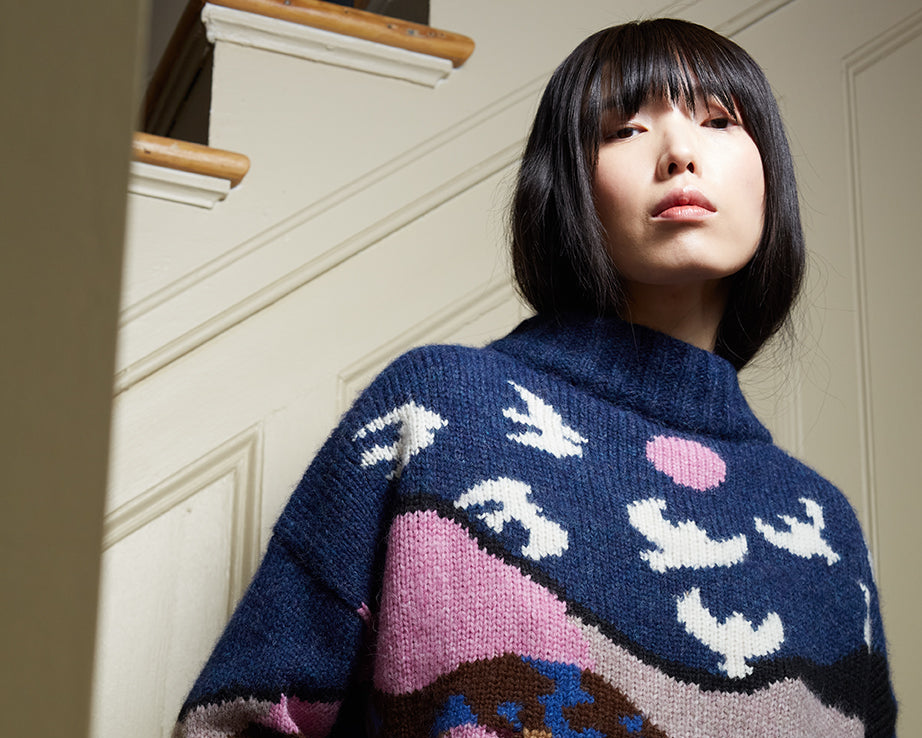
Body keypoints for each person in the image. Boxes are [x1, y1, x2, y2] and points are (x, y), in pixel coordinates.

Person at [173, 18, 897, 738]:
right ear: (567, 183)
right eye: (624, 129)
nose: (680, 152)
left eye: (716, 120)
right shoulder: (436, 412)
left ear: (770, 175)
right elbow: (239, 723)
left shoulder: (824, 529)